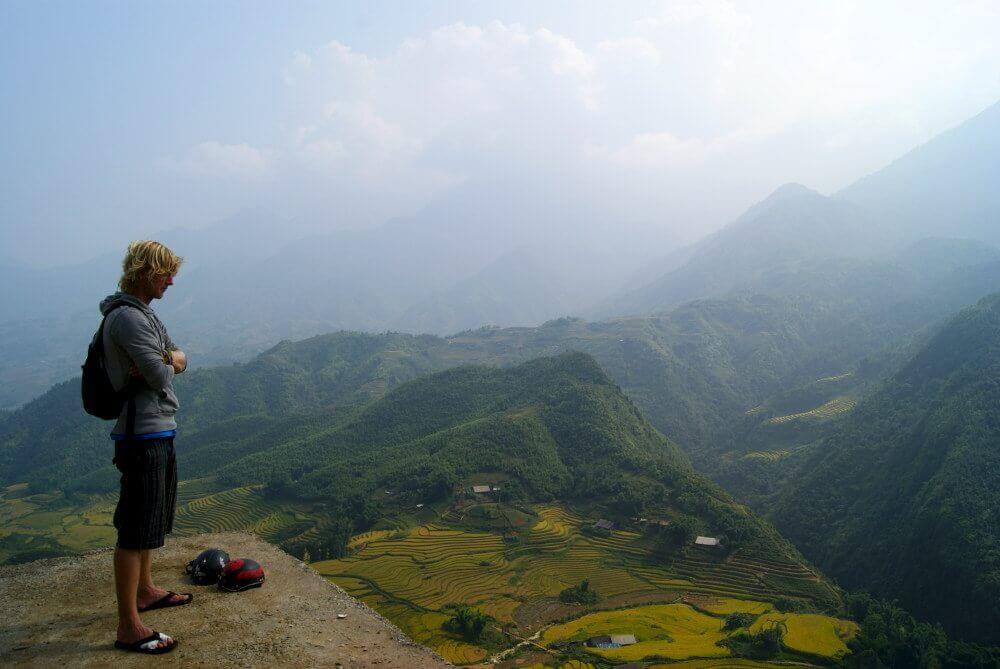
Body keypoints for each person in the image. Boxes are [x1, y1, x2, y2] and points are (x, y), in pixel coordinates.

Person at [100, 240, 189, 654]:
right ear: (143, 271)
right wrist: (168, 361)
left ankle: (146, 591)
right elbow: (162, 374)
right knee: (135, 529)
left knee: (151, 521)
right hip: (141, 435)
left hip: (158, 430)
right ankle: (129, 626)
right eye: (164, 273)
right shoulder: (128, 321)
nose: (170, 281)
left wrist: (167, 359)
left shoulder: (145, 315)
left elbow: (176, 357)